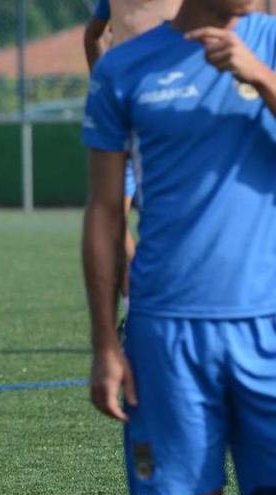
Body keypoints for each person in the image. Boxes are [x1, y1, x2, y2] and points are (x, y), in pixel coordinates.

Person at [82, 0, 276, 493]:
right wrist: (105, 343)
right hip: (166, 338)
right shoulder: (123, 69)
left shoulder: (270, 46)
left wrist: (262, 78)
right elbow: (105, 213)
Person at [83, 0, 182, 311]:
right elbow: (92, 35)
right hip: (128, 120)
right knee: (112, 216)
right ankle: (134, 302)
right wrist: (102, 84)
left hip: (172, 120)